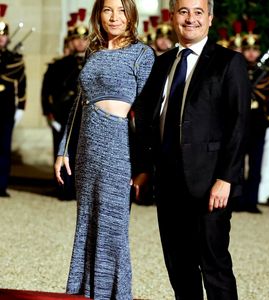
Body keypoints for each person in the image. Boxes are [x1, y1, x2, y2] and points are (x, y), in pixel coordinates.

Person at [133, 0, 251, 299]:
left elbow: (239, 124)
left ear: (210, 18)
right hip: (168, 182)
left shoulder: (228, 62)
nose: (190, 19)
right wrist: (145, 168)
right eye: (183, 11)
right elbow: (147, 120)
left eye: (198, 12)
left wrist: (226, 178)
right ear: (172, 16)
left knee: (214, 266)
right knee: (179, 267)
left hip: (209, 184)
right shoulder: (161, 64)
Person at [54, 0, 155, 298]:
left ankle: (114, 294)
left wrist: (144, 166)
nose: (115, 16)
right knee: (86, 222)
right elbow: (78, 104)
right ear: (98, 13)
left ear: (132, 15)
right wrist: (63, 149)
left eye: (122, 10)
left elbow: (149, 116)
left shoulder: (142, 54)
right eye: (108, 9)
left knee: (114, 229)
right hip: (87, 147)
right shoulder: (93, 52)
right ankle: (84, 292)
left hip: (120, 148)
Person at [41, 11, 89, 200]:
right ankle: (63, 188)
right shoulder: (58, 65)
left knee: (81, 154)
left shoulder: (90, 62)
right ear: (70, 41)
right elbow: (47, 91)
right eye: (76, 39)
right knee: (61, 152)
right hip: (61, 115)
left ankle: (78, 190)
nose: (80, 43)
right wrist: (49, 114)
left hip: (83, 114)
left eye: (84, 39)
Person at [237, 19, 269, 213]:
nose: (251, 53)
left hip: (257, 124)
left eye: (254, 49)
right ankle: (236, 200)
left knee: (256, 163)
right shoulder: (235, 71)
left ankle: (251, 201)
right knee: (235, 164)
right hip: (238, 123)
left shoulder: (267, 75)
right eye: (247, 49)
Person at [0, 4, 27, 198]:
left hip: (6, 110)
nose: (1, 38)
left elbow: (22, 85)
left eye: (3, 35)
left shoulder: (14, 59)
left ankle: (1, 185)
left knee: (3, 149)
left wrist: (21, 108)